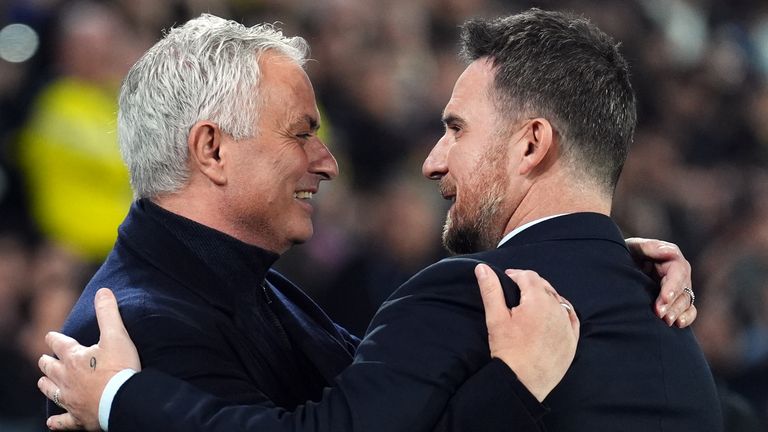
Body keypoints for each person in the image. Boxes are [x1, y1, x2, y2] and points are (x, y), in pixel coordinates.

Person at [38, 10, 702, 432]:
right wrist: (120, 397)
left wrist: (598, 261)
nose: (326, 162)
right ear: (212, 150)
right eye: (301, 133)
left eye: (455, 128)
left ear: (531, 144)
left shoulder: (260, 290)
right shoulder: (129, 332)